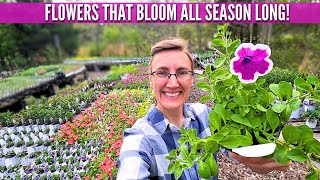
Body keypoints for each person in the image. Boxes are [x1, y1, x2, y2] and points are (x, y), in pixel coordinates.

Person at [117, 38, 290, 180]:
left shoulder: (205, 114)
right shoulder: (140, 138)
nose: (172, 82)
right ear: (151, 80)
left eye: (182, 72)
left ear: (192, 78)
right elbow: (131, 169)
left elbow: (240, 146)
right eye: (162, 72)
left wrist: (266, 151)